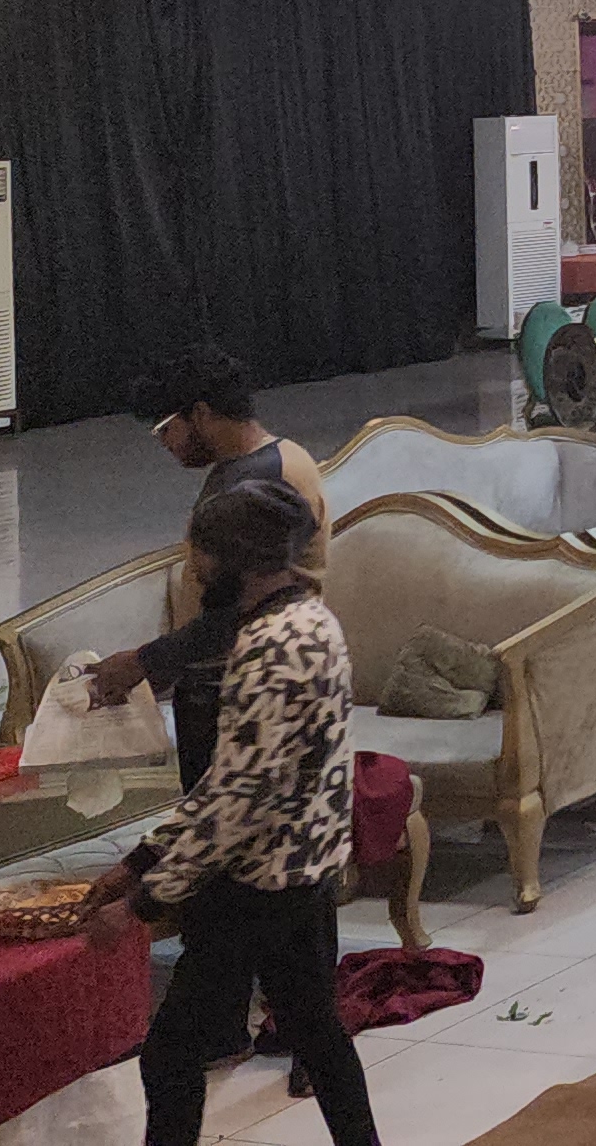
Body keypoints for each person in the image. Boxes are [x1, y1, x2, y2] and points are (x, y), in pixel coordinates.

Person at [88, 480, 378, 1146]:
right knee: (319, 1037)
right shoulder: (315, 619)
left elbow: (237, 801)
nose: (193, 567)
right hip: (304, 875)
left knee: (169, 1055)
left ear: (237, 560)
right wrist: (139, 859)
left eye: (202, 551)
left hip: (257, 888)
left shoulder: (269, 647)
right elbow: (236, 782)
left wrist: (142, 901)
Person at [88, 348, 328, 782]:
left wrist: (145, 662)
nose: (164, 443)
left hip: (244, 687)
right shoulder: (263, 463)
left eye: (165, 428)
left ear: (200, 414)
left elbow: (240, 610)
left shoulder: (260, 481)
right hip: (229, 678)